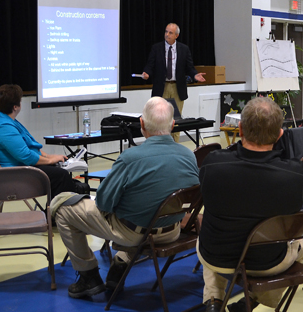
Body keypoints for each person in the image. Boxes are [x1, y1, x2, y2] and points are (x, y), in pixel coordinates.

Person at [53, 97, 199, 298]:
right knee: (144, 210)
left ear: (142, 124)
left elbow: (104, 203)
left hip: (134, 233)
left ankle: (89, 277)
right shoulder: (189, 155)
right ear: (173, 125)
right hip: (171, 231)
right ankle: (121, 261)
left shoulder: (130, 158)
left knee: (61, 207)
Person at [197, 97, 303, 312]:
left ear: (239, 130)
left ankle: (214, 300)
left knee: (213, 224)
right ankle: (252, 300)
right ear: (280, 134)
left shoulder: (212, 165)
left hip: (217, 255)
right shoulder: (297, 174)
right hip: (269, 262)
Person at [0, 84, 90, 197]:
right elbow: (25, 156)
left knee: (60, 172)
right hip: (14, 173)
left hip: (20, 167)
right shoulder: (4, 126)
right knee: (62, 175)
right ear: (15, 107)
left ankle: (54, 210)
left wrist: (50, 157)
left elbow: (29, 148)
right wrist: (50, 160)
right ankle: (57, 212)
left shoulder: (5, 119)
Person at [142, 23, 205, 142]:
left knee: (176, 119)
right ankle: (160, 144)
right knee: (160, 118)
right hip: (162, 87)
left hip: (177, 87)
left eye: (170, 33)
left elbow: (189, 67)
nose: (167, 34)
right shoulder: (157, 48)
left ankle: (175, 144)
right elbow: (150, 65)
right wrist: (146, 73)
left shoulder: (184, 49)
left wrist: (195, 75)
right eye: (166, 32)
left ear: (177, 35)